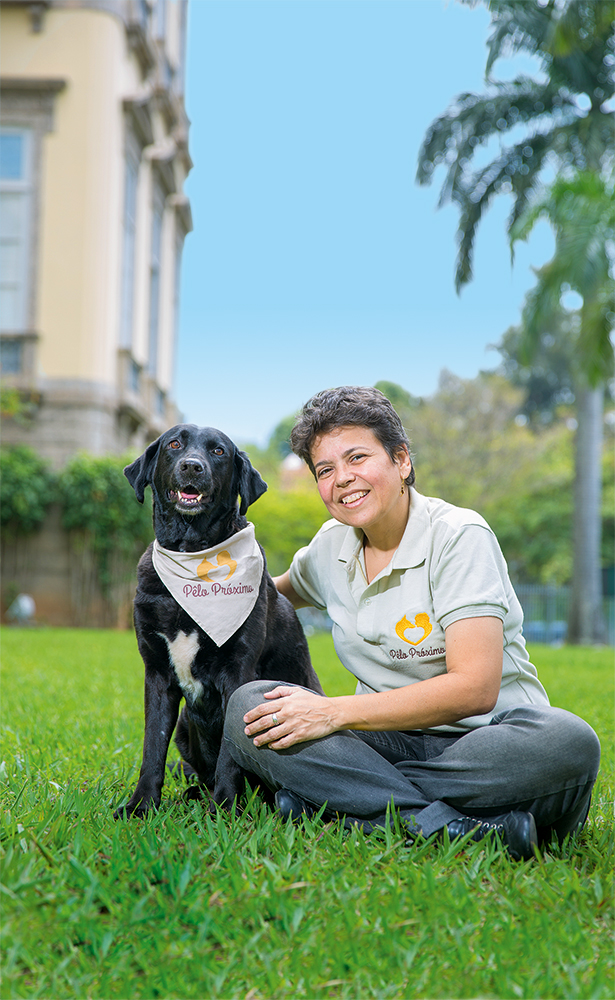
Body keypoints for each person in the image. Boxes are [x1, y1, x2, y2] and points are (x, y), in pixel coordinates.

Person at [223, 386, 600, 860]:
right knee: (249, 709)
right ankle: (452, 826)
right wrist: (193, 588)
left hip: (487, 740)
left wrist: (332, 713)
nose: (342, 479)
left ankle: (347, 808)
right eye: (325, 469)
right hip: (386, 742)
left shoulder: (460, 537)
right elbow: (264, 598)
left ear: (401, 460)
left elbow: (474, 689)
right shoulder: (329, 546)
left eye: (357, 457)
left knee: (568, 742)